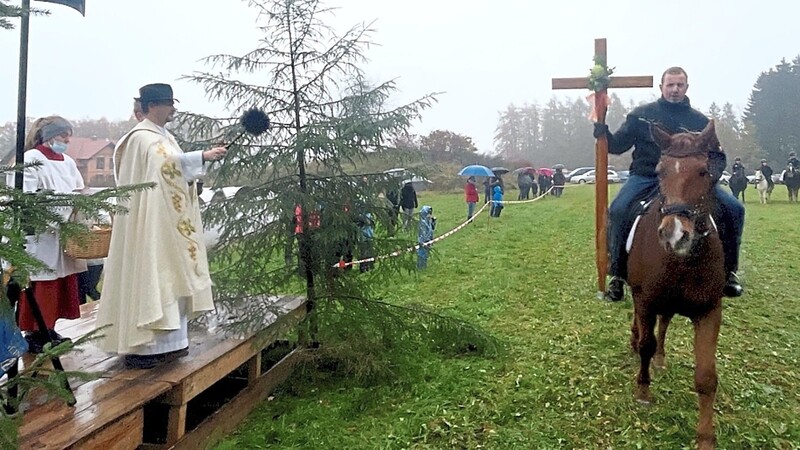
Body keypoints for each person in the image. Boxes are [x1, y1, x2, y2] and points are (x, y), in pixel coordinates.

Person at [96, 83, 228, 369]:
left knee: (171, 276)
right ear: (153, 105)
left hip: (169, 221)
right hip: (149, 224)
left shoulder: (164, 137)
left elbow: (173, 169)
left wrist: (195, 169)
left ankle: (173, 343)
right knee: (155, 274)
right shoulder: (141, 139)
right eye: (169, 103)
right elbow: (162, 170)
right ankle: (146, 347)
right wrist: (200, 157)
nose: (173, 109)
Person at [593, 66, 745, 301]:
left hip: (690, 181)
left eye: (680, 85)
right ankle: (618, 274)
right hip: (646, 177)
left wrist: (708, 178)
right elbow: (617, 146)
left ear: (686, 87)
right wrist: (603, 132)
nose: (675, 89)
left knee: (735, 209)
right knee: (619, 209)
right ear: (661, 87)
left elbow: (717, 156)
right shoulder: (640, 115)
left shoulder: (699, 121)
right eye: (670, 85)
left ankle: (730, 272)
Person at [19, 116, 88, 353]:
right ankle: (34, 331)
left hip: (63, 232)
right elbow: (27, 195)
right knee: (42, 282)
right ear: (48, 136)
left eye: (68, 136)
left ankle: (50, 327)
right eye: (63, 136)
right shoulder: (31, 159)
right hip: (41, 233)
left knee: (60, 282)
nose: (67, 140)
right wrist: (60, 206)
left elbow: (78, 188)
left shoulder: (67, 161)